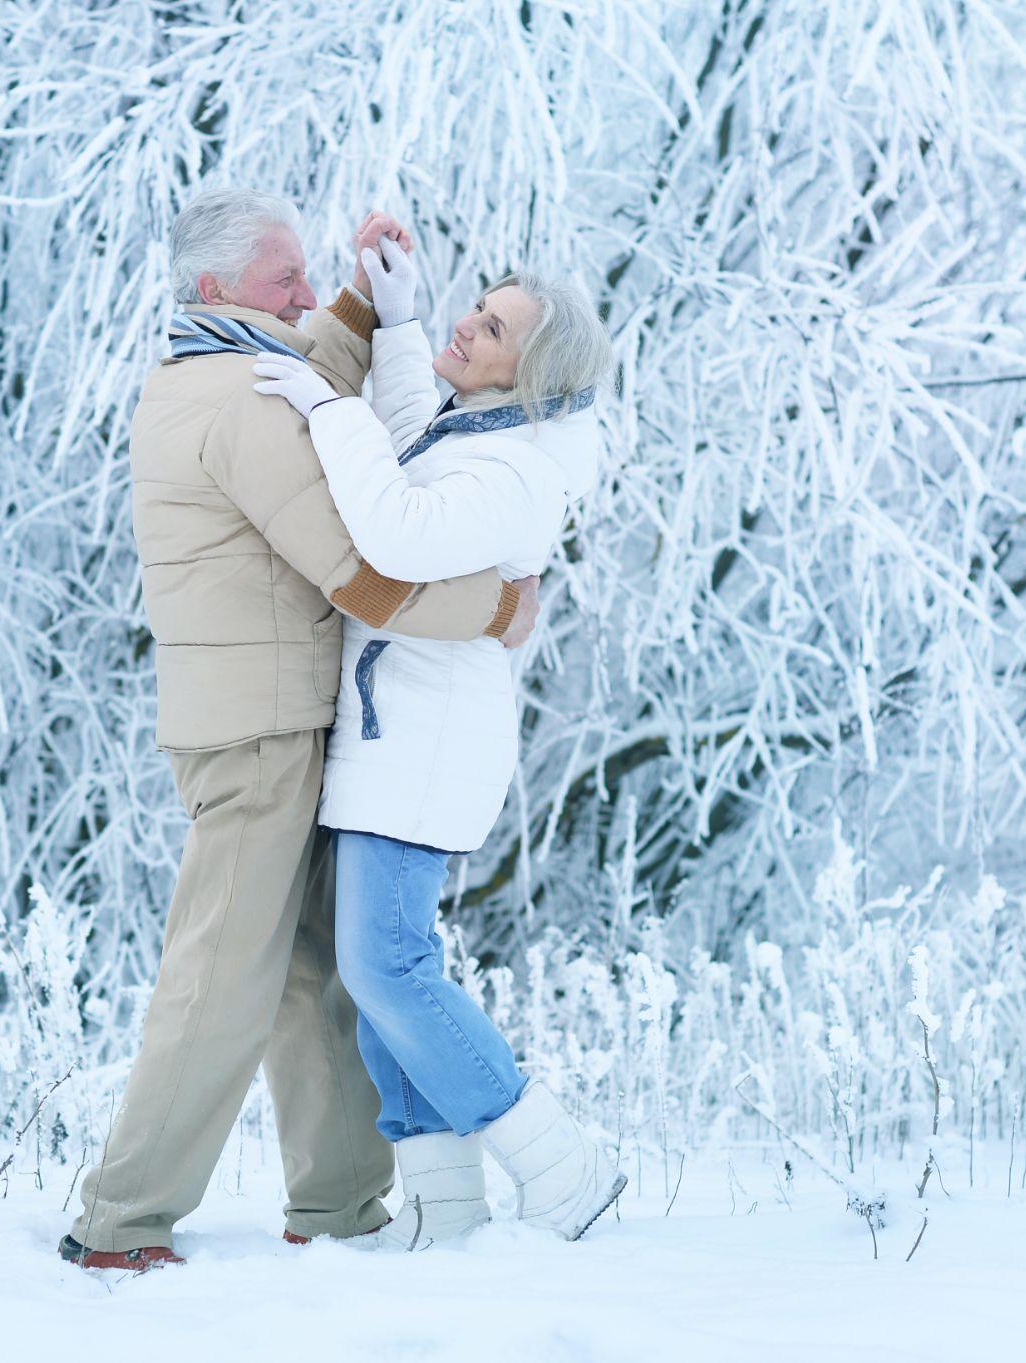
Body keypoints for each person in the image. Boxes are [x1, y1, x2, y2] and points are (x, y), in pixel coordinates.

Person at [59, 189, 542, 1271]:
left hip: (271, 717)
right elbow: (366, 576)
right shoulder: (238, 400)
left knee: (314, 967)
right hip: (259, 731)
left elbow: (303, 367)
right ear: (215, 291)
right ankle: (121, 1218)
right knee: (223, 977)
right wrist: (502, 608)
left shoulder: (213, 369)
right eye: (284, 277)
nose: (301, 290)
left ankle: (338, 1201)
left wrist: (366, 305)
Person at [250, 233, 625, 1247]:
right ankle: (443, 1202)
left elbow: (398, 533)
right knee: (381, 979)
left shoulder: (516, 471)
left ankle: (561, 1166)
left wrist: (327, 409)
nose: (472, 322)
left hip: (422, 746)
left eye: (490, 326)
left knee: (386, 969)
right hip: (390, 734)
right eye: (477, 307)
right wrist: (403, 318)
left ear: (527, 372)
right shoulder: (482, 434)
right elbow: (415, 437)